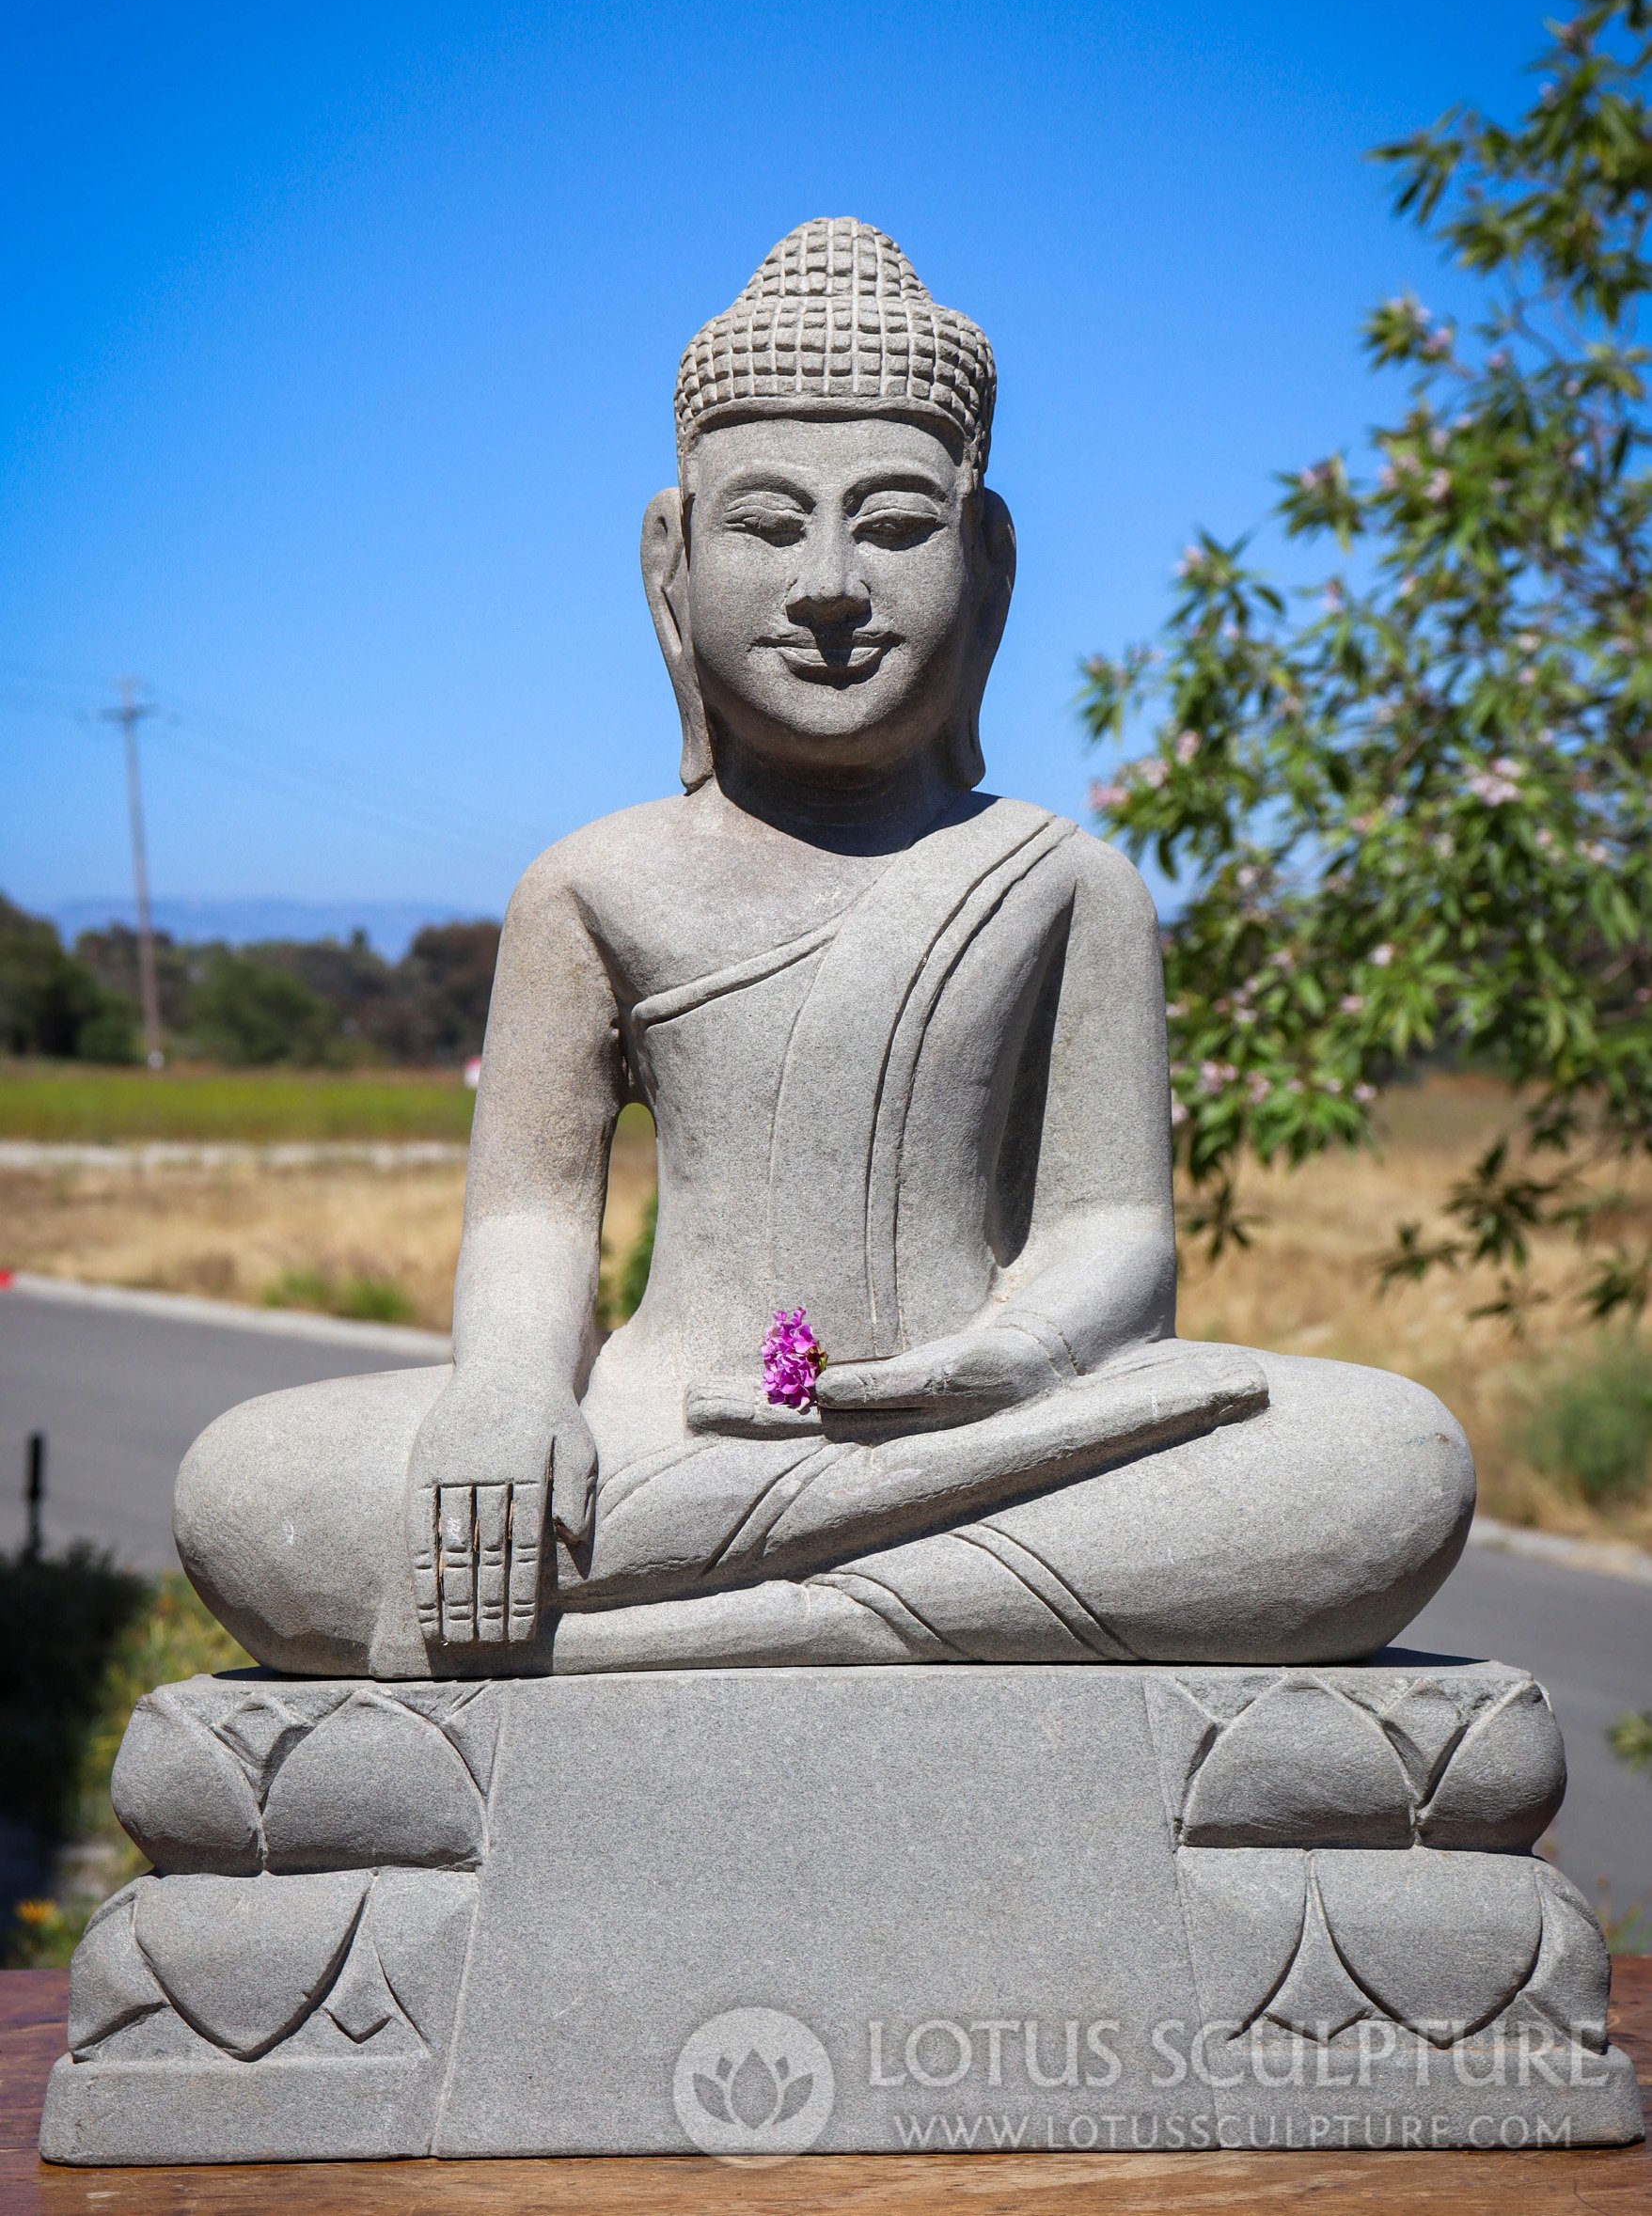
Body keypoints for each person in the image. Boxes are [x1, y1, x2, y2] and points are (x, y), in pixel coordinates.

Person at [176, 220, 1472, 1678]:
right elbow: (529, 1219)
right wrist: (506, 1398)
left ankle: (728, 1627)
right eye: (769, 525)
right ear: (669, 562)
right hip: (662, 1436)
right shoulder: (592, 884)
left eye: (898, 526)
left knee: (1386, 1463)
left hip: (990, 1438)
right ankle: (871, 1612)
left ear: (985, 563)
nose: (833, 586)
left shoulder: (1062, 882)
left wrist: (1015, 1357)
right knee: (253, 1492)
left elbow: (1110, 1231)